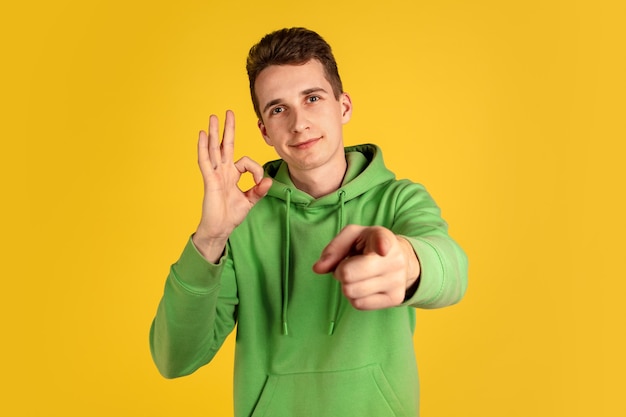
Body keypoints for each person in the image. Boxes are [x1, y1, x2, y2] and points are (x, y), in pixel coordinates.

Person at [150, 27, 468, 417]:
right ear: (265, 130)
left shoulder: (398, 199)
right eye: (278, 109)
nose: (299, 123)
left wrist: (406, 261)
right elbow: (175, 358)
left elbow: (452, 269)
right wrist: (211, 237)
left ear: (344, 106)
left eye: (313, 98)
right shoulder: (243, 220)